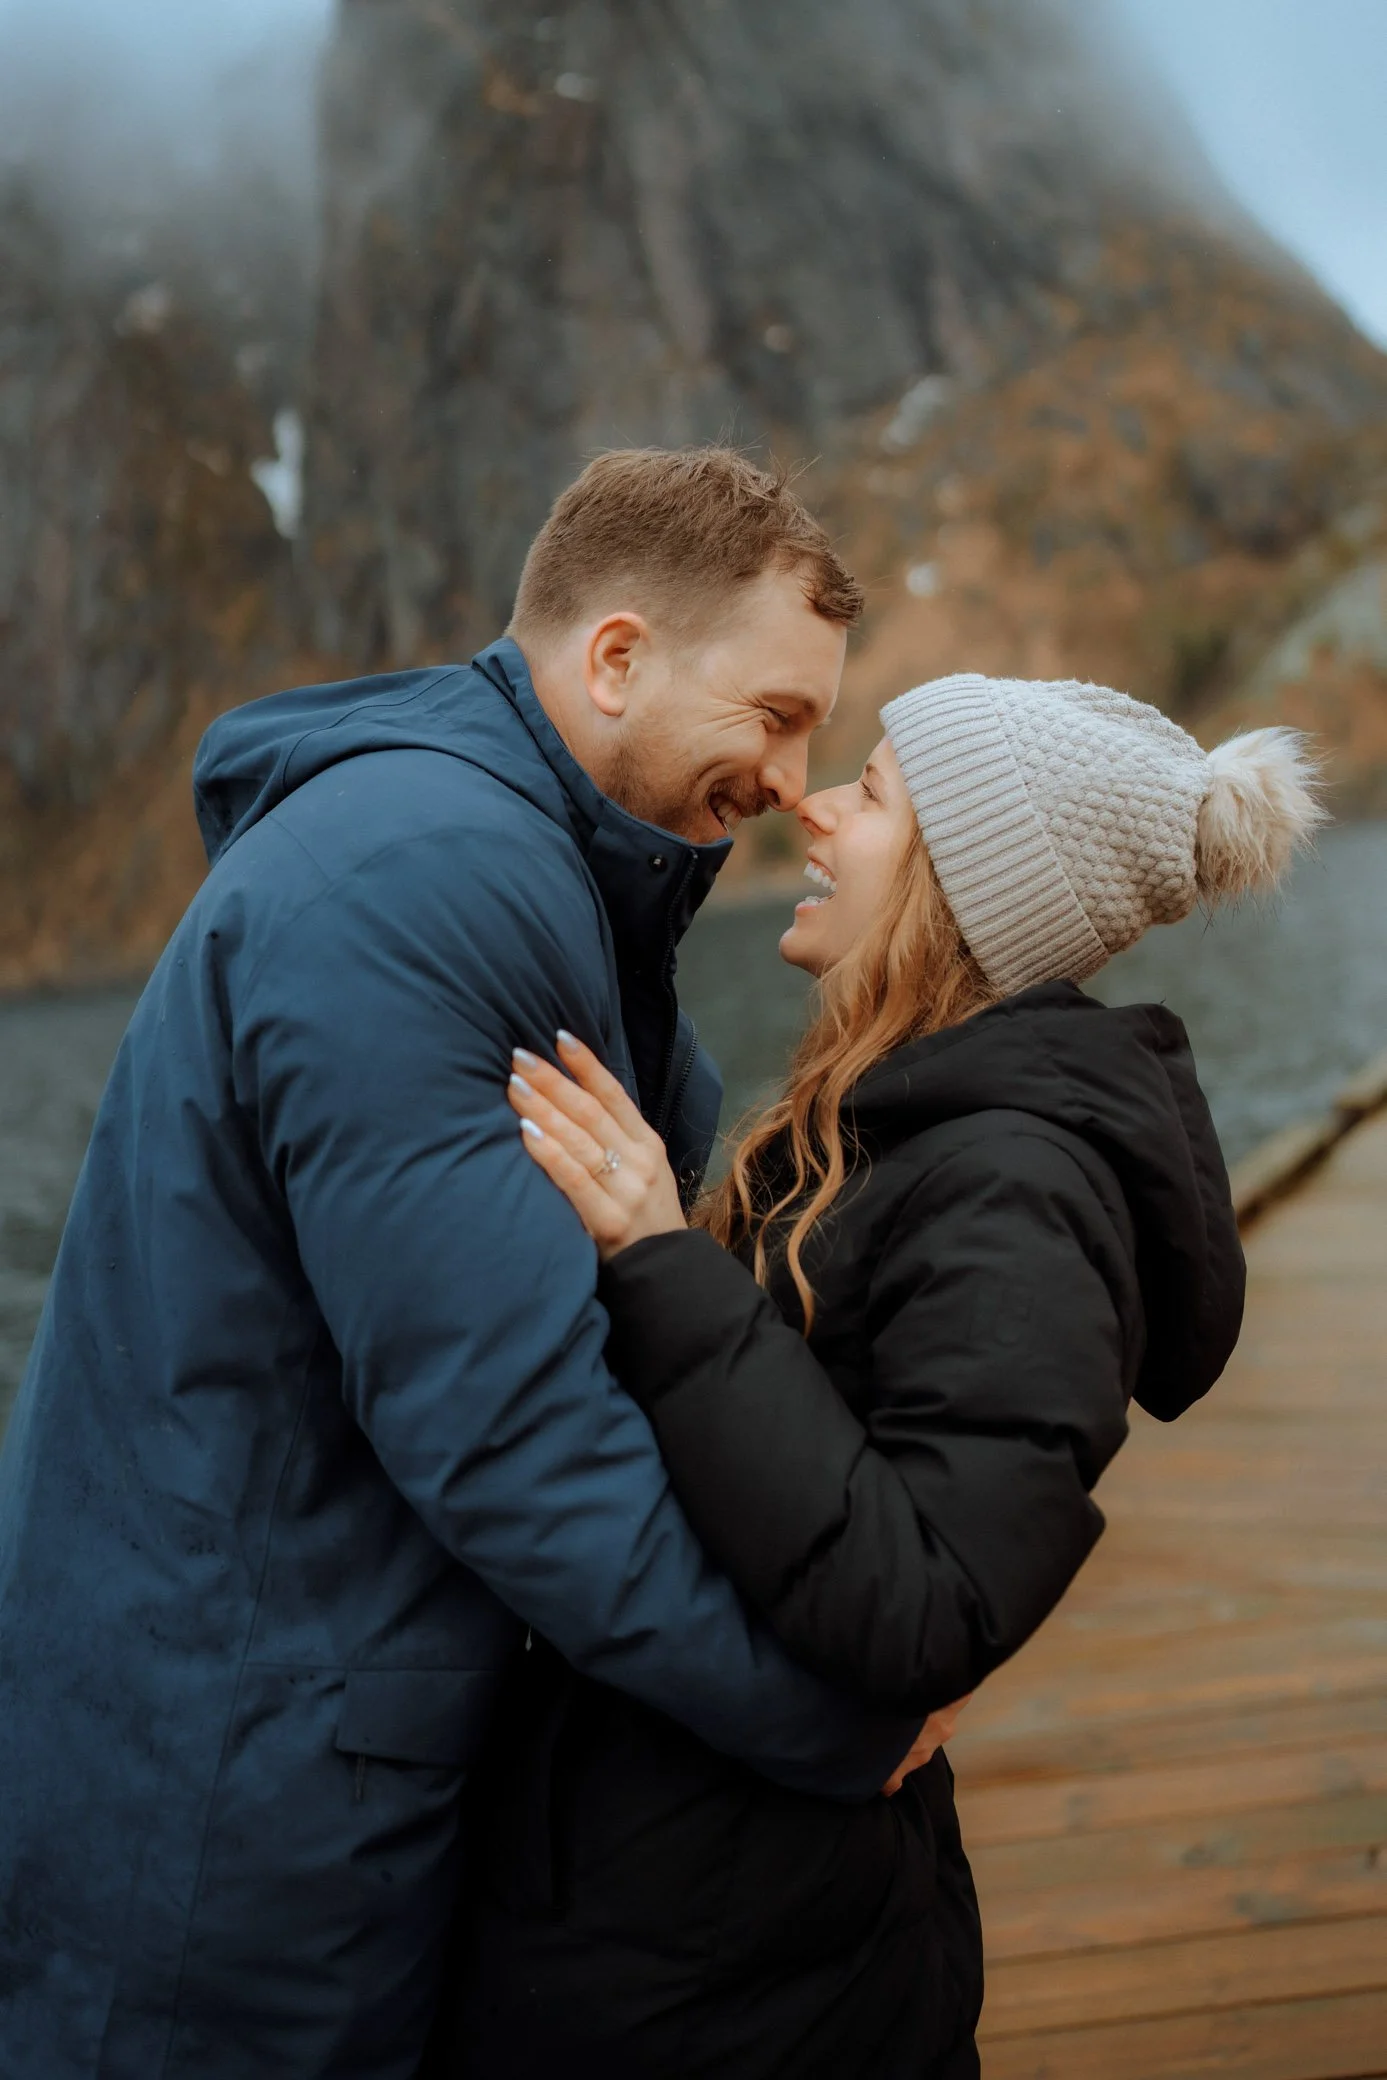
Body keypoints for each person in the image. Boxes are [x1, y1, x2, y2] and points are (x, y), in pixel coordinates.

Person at [0, 449, 941, 2080]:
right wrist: (828, 1725)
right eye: (776, 714)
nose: (799, 780)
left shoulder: (519, 860)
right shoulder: (427, 879)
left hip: (309, 1740)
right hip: (230, 1802)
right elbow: (510, 1434)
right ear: (619, 657)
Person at [450, 678, 1323, 2078]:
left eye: (871, 796)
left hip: (755, 1969)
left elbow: (926, 1601)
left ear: (957, 886)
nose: (815, 804)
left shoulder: (1009, 1184)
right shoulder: (902, 1134)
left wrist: (660, 1261)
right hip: (726, 1910)